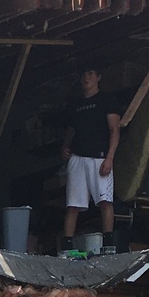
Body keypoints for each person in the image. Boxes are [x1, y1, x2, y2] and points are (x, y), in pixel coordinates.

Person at [60, 68, 120, 247]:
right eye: (84, 74)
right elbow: (71, 130)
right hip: (78, 157)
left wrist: (109, 158)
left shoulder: (107, 100)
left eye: (91, 74)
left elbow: (114, 130)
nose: (86, 78)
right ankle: (67, 247)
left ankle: (108, 244)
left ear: (99, 77)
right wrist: (64, 147)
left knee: (105, 201)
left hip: (99, 157)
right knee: (72, 205)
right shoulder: (76, 105)